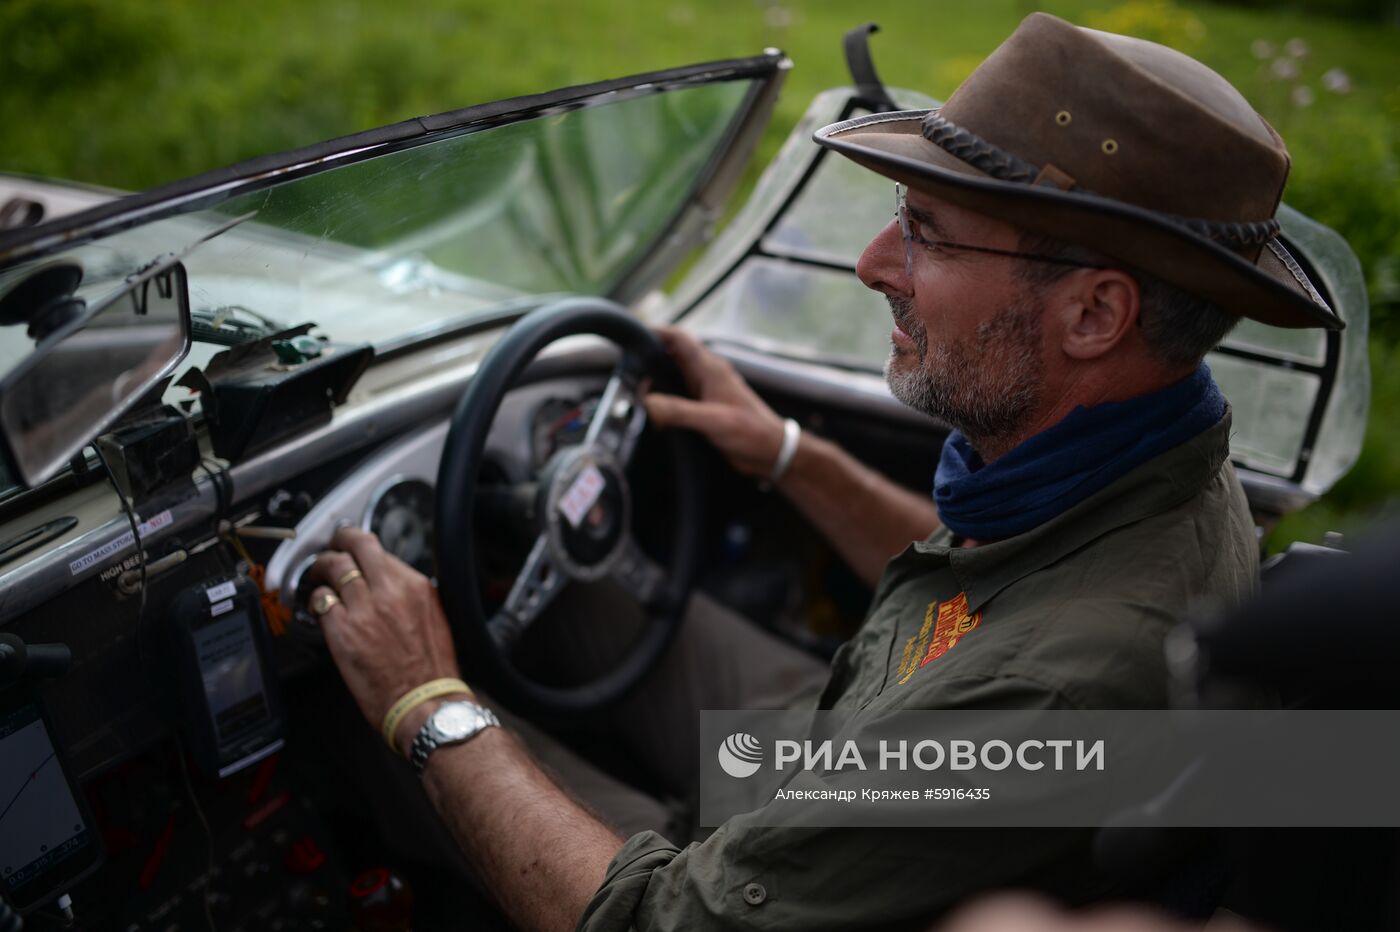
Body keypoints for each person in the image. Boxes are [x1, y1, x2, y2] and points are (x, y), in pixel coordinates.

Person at [304, 12, 1344, 931]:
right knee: (576, 592)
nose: (874, 263)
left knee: (357, 706)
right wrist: (784, 452)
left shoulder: (1052, 687)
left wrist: (427, 700)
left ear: (1093, 314)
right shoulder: (1160, 459)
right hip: (834, 747)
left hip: (780, 843)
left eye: (925, 233)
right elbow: (989, 588)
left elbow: (662, 916)